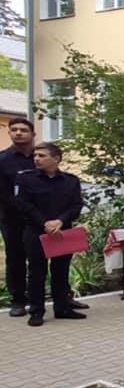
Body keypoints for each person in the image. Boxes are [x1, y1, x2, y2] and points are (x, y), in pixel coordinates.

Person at [15, 143, 84, 327]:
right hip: (36, 231)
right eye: (35, 155)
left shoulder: (71, 181)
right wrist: (44, 223)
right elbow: (23, 205)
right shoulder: (26, 179)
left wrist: (60, 221)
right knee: (37, 273)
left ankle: (62, 308)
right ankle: (36, 311)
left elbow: (76, 205)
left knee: (61, 271)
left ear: (56, 158)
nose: (36, 159)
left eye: (42, 155)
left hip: (62, 232)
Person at [0, 117, 38, 317]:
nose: (18, 133)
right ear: (9, 133)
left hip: (40, 218)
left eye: (23, 130)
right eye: (14, 129)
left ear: (33, 134)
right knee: (16, 258)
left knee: (43, 258)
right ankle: (18, 300)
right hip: (12, 218)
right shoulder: (3, 160)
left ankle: (49, 298)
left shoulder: (40, 157)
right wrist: (23, 208)